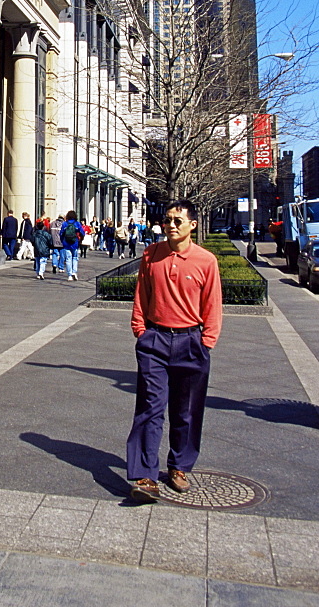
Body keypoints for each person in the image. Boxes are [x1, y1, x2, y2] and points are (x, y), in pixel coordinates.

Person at [126, 199, 222, 503]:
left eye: (178, 220)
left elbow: (213, 305)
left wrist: (206, 342)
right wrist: (141, 331)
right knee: (150, 407)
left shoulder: (206, 261)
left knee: (186, 410)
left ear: (192, 225)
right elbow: (142, 294)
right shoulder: (151, 255)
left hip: (191, 342)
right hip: (155, 341)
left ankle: (179, 466)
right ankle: (145, 475)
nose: (171, 225)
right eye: (167, 220)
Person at [60, 210, 85, 280]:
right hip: (75, 243)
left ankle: (69, 275)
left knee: (68, 259)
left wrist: (62, 241)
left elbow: (61, 233)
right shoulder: (77, 223)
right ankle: (74, 272)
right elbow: (82, 233)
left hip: (66, 243)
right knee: (75, 258)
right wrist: (80, 240)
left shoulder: (65, 224)